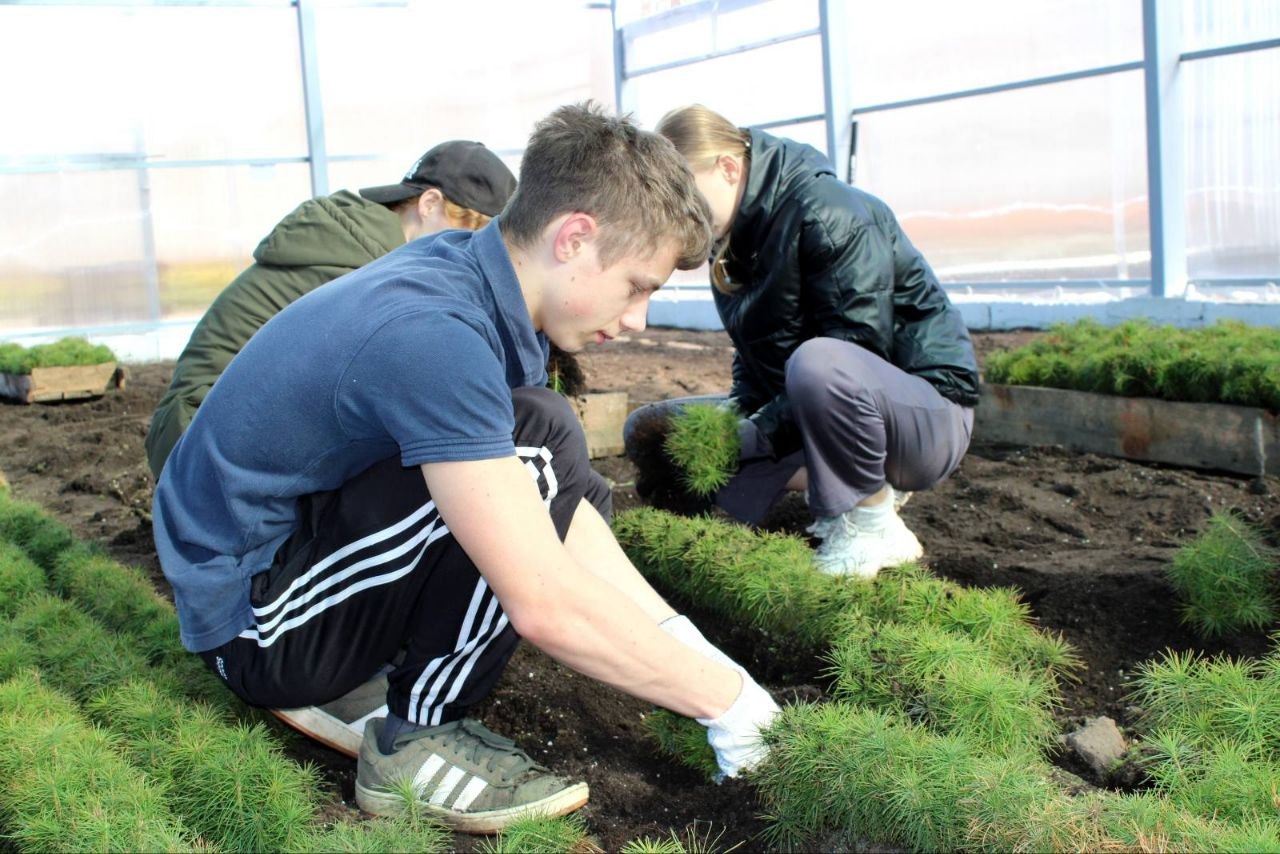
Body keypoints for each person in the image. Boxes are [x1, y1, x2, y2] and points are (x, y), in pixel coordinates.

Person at [151, 102, 780, 834]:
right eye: (638, 285)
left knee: (543, 431)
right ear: (575, 238)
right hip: (253, 624)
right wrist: (727, 704)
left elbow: (563, 513)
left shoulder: (460, 273)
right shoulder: (436, 337)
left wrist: (679, 641)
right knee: (530, 451)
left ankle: (362, 676)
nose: (638, 318)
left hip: (284, 554)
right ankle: (413, 735)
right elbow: (542, 600)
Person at [625, 103, 980, 580]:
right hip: (819, 411)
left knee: (819, 364)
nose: (681, 217)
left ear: (728, 168)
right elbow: (754, 357)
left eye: (685, 196)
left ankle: (872, 518)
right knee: (653, 429)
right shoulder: (732, 242)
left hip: (922, 421)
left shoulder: (828, 211)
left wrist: (762, 432)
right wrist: (743, 416)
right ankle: (837, 487)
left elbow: (857, 354)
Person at [144, 140, 518, 479]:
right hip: (200, 454)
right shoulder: (365, 268)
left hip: (212, 436)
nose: (468, 253)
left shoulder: (356, 242)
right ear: (429, 205)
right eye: (469, 233)